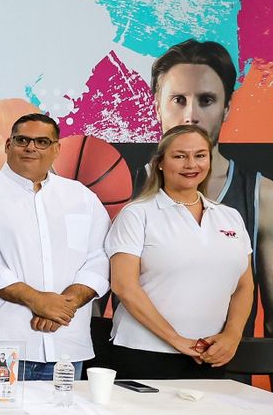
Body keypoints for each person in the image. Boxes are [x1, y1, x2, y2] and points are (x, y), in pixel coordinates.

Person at [148, 39, 273, 339]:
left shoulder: (262, 194)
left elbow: (271, 307)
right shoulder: (123, 189)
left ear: (226, 108)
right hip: (147, 349)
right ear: (157, 106)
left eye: (206, 100)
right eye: (178, 99)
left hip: (228, 354)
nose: (190, 115)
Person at [106, 124, 253, 379]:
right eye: (180, 156)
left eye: (200, 155)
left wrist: (232, 335)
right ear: (160, 163)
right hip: (144, 351)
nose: (191, 164)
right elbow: (124, 286)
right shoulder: (137, 214)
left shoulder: (230, 217)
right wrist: (176, 340)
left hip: (210, 352)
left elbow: (244, 285)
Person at [0, 112, 110, 380]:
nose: (31, 147)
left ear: (56, 149)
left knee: (63, 409)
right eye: (22, 140)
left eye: (42, 142)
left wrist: (65, 305)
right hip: (4, 343)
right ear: (9, 145)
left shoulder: (82, 197)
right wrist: (37, 300)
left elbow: (100, 257)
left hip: (67, 347)